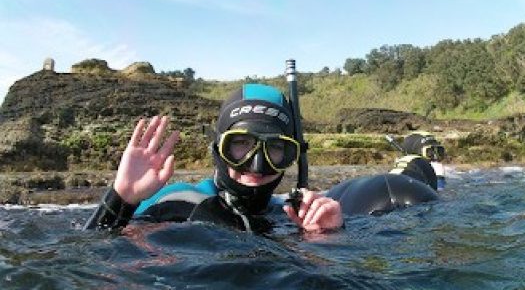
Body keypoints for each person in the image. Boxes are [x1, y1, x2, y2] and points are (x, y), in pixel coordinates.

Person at [84, 83, 343, 233]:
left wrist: (331, 238)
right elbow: (95, 263)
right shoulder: (177, 204)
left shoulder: (291, 215)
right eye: (241, 144)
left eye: (275, 148)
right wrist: (121, 199)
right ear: (218, 147)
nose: (257, 165)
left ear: (292, 155)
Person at [326, 132, 444, 216]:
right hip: (397, 193)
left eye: (439, 152)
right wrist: (438, 178)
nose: (436, 157)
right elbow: (437, 198)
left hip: (342, 192)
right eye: (430, 152)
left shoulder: (400, 169)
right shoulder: (419, 167)